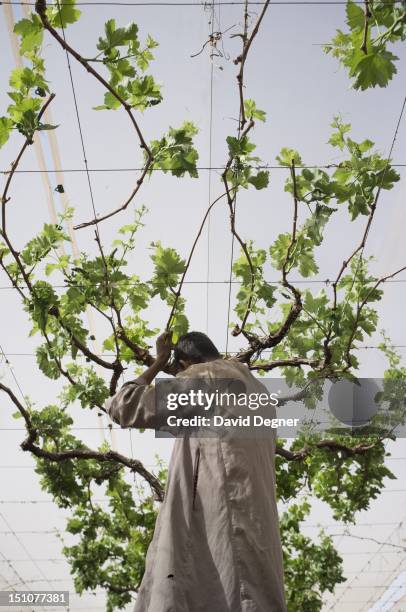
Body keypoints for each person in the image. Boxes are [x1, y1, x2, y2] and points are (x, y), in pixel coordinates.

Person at [106, 331, 287, 612]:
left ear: (185, 363)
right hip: (259, 530)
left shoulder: (206, 377)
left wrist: (158, 361)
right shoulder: (260, 394)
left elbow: (125, 405)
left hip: (217, 523)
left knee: (202, 591)